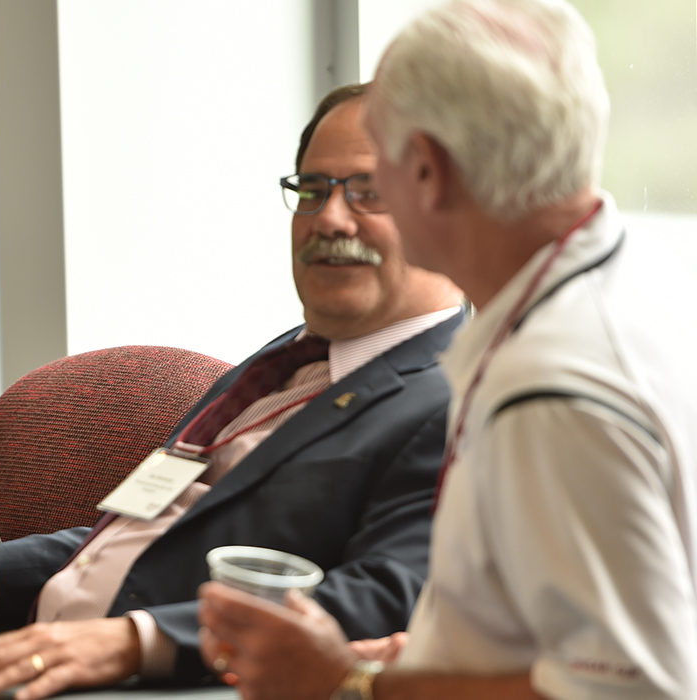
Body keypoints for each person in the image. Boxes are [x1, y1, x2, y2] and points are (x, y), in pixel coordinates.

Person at [0, 82, 466, 700]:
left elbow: (382, 602)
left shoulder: (457, 404)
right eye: (312, 190)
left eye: (368, 192)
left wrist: (132, 640)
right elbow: (141, 530)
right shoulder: (281, 365)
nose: (330, 219)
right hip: (14, 660)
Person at [198, 1, 697, 699]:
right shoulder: (629, 287)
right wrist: (434, 649)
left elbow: (628, 689)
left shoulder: (553, 386)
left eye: (373, 177)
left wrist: (348, 683)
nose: (339, 211)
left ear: (426, 171)